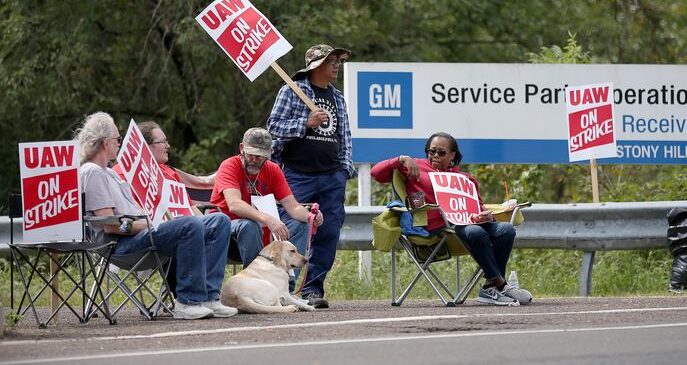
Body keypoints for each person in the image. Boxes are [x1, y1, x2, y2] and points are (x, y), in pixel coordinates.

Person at [76, 111, 237, 319]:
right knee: (188, 224)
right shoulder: (92, 172)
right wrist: (152, 224)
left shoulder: (108, 173)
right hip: (120, 244)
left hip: (141, 231)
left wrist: (157, 217)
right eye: (117, 139)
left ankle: (209, 297)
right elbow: (111, 225)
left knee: (219, 221)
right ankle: (187, 301)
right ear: (105, 143)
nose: (120, 143)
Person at [370, 132, 532, 306]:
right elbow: (376, 173)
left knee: (506, 230)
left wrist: (487, 215)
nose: (435, 156)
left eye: (441, 153)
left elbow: (478, 207)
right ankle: (502, 285)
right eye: (431, 152)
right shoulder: (415, 166)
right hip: (438, 228)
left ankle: (489, 287)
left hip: (467, 223)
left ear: (452, 155)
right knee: (475, 232)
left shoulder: (466, 178)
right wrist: (401, 159)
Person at [267, 44, 356, 309]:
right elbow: (273, 127)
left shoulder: (337, 97)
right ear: (316, 65)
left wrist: (344, 168)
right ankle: (285, 290)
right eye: (331, 61)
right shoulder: (292, 91)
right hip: (297, 176)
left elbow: (344, 136)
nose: (337, 65)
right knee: (293, 231)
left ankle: (313, 289)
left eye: (338, 60)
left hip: (332, 176)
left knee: (328, 233)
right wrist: (306, 123)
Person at [209, 127, 324, 290]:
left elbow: (292, 207)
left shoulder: (273, 169)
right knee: (250, 225)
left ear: (269, 152)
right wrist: (268, 219)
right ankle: (254, 286)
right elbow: (234, 204)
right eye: (251, 154)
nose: (255, 159)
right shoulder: (229, 165)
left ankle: (285, 288)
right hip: (227, 235)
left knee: (300, 225)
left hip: (262, 232)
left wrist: (311, 217)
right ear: (242, 148)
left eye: (260, 155)